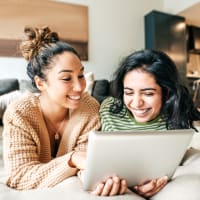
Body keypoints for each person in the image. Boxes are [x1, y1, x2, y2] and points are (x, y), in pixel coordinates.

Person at [2, 26, 128, 197]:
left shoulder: (89, 108)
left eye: (81, 76)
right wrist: (72, 159)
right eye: (67, 78)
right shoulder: (20, 113)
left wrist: (98, 179)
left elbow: (86, 164)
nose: (79, 87)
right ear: (40, 83)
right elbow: (19, 177)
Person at [100, 49, 200, 199]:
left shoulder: (176, 115)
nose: (136, 103)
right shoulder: (109, 109)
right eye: (128, 92)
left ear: (166, 93)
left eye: (148, 94)